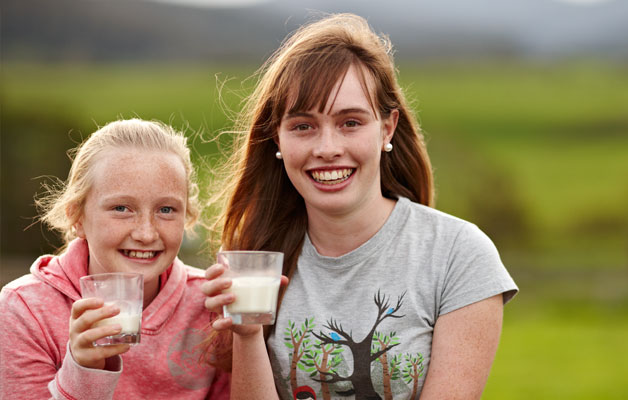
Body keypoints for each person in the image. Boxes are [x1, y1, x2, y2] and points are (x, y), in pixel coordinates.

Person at [202, 13, 518, 399]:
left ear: (387, 128)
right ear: (277, 140)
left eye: (350, 122)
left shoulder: (458, 255)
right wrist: (248, 333)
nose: (327, 148)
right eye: (303, 126)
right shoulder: (256, 262)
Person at [0, 119, 229, 399]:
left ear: (187, 216)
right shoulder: (26, 309)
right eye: (121, 208)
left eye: (166, 209)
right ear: (77, 217)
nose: (146, 234)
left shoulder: (209, 304)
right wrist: (83, 371)